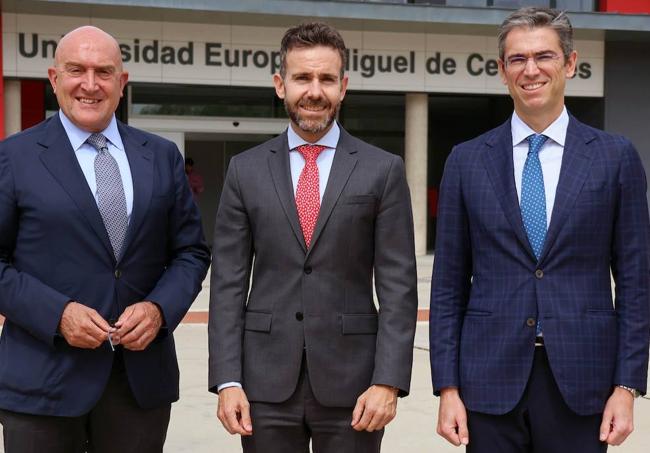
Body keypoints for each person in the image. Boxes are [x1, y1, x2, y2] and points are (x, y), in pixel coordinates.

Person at [429, 7, 650, 453]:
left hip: (583, 382)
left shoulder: (614, 157)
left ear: (569, 63)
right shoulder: (466, 161)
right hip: (486, 383)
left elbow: (635, 283)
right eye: (517, 59)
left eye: (544, 56)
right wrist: (447, 388)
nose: (531, 70)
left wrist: (626, 387)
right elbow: (448, 285)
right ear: (502, 71)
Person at [208, 22, 418, 453]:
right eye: (303, 78)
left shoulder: (383, 170)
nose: (314, 91)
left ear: (343, 87)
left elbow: (398, 286)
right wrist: (227, 380)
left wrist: (388, 381)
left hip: (355, 386)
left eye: (326, 79)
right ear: (280, 85)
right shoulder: (244, 171)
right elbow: (227, 283)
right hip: (262, 386)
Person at [0, 26, 210, 453]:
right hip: (42, 381)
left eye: (104, 71)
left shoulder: (161, 156)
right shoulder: (13, 157)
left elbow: (191, 251)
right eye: (77, 70)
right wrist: (57, 314)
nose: (90, 84)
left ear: (122, 82)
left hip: (139, 383)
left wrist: (158, 309)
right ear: (54, 78)